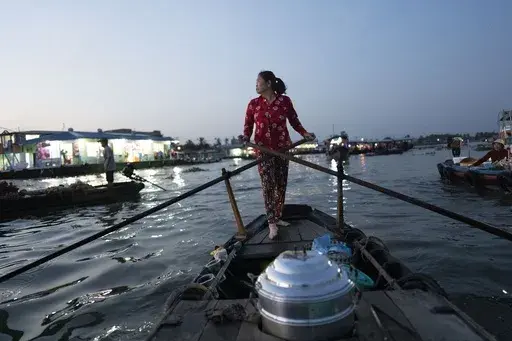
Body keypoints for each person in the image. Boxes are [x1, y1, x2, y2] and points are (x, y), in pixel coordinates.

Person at [240, 70, 315, 240]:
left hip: (282, 149)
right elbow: (248, 126)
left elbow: (294, 121)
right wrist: (245, 137)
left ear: (268, 83)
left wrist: (304, 133)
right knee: (268, 185)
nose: (256, 85)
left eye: (259, 81)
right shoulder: (253, 104)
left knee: (280, 184)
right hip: (263, 151)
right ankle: (271, 222)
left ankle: (278, 216)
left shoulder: (284, 101)